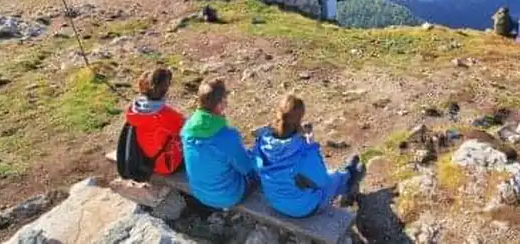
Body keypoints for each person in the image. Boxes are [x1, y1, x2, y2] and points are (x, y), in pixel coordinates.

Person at [253, 94, 366, 218]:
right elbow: (322, 181)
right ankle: (350, 174)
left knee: (313, 178)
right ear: (299, 120)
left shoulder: (262, 142)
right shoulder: (302, 152)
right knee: (335, 179)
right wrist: (311, 146)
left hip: (274, 201)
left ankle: (348, 173)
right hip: (303, 208)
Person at [182, 78, 256, 210]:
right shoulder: (228, 136)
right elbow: (246, 168)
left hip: (199, 192)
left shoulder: (187, 128)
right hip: (228, 196)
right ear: (221, 103)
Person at [125, 68, 186, 175]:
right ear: (166, 89)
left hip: (144, 160)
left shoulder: (134, 109)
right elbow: (187, 128)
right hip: (166, 165)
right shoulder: (167, 115)